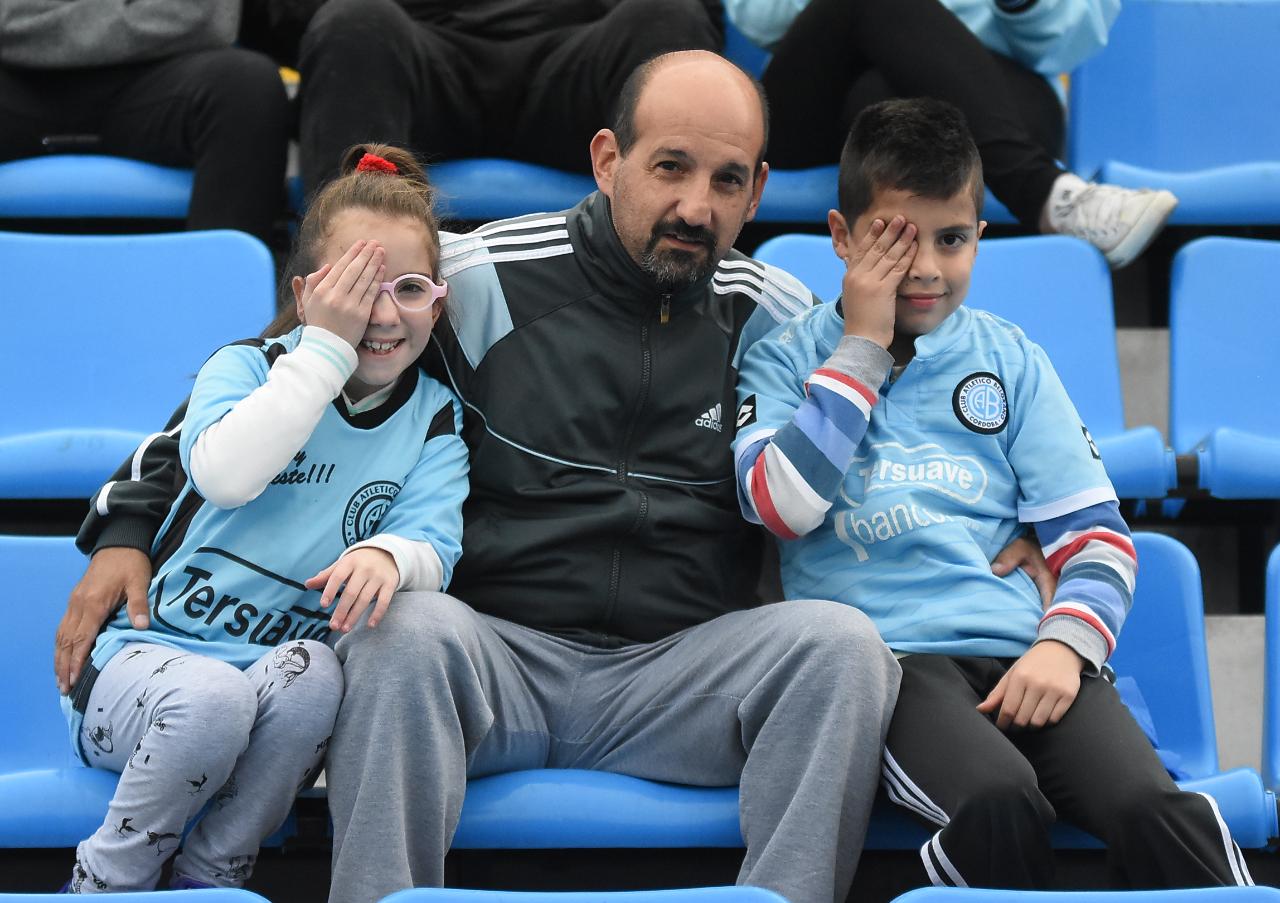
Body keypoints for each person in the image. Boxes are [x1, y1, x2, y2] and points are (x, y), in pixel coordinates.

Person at [54, 53, 1049, 903]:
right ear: (607, 161)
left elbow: (894, 422)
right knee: (401, 624)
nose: (693, 206)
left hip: (682, 673)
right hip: (493, 662)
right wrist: (130, 527)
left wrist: (1026, 524)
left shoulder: (771, 310)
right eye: (669, 167)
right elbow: (283, 361)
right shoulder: (483, 274)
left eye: (725, 180)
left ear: (754, 193)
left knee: (839, 647)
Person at [733, 97, 1253, 889]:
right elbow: (781, 502)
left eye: (953, 239)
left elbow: (1098, 540)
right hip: (895, 669)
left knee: (1156, 808)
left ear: (981, 236)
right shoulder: (782, 360)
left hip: (1028, 655)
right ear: (841, 237)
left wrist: (1060, 646)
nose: (928, 269)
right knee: (1000, 800)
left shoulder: (1010, 358)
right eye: (895, 240)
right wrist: (863, 349)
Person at [59, 144, 469, 893]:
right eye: (356, 288)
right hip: (140, 666)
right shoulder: (248, 368)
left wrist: (391, 556)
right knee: (213, 699)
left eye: (408, 289)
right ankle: (106, 880)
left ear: (437, 303)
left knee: (317, 678)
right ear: (307, 293)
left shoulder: (436, 418)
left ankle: (215, 872)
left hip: (268, 676)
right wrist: (322, 352)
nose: (381, 313)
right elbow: (224, 473)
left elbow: (434, 539)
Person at [726, 0, 1177, 269]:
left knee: (882, 96)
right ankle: (1046, 194)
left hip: (992, 90)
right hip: (824, 92)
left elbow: (1069, 43)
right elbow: (760, 18)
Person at [293, 0, 722, 194]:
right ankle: (348, 291)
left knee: (668, 15)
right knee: (355, 21)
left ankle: (667, 301)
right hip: (423, 55)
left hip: (573, 61)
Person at [0, 0, 289, 246]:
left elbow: (202, 17)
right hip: (17, 80)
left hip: (162, 76)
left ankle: (217, 300)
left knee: (246, 86)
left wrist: (43, 25)